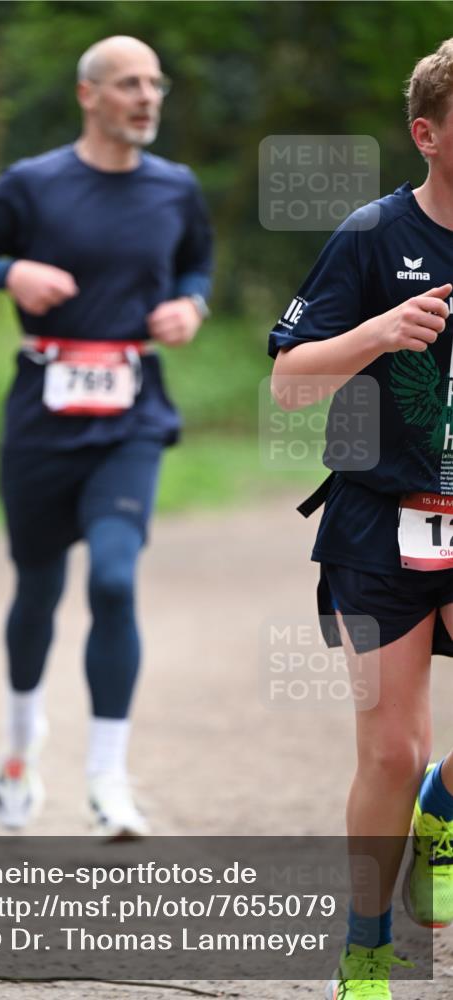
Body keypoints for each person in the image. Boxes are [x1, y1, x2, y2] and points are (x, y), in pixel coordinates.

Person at [0, 35, 213, 839]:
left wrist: (190, 307)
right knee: (37, 589)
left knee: (116, 582)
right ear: (88, 94)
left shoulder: (176, 189)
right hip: (40, 416)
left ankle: (108, 781)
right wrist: (10, 274)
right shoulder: (32, 184)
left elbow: (196, 264)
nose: (147, 96)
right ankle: (22, 746)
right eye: (129, 83)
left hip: (130, 414)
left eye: (155, 83)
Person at [268, 37, 453, 1000]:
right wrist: (378, 332)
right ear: (426, 134)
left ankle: (443, 813)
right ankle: (367, 950)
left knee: (431, 770)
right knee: (392, 748)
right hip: (382, 518)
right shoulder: (371, 237)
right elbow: (288, 384)